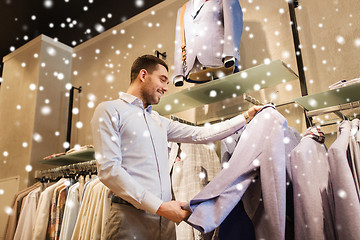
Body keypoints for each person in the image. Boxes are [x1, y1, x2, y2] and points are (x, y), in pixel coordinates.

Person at [91, 54, 261, 239]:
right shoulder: (109, 110)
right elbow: (109, 170)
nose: (165, 88)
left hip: (166, 220)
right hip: (129, 219)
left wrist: (245, 117)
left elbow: (201, 134)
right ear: (143, 75)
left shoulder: (159, 121)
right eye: (162, 80)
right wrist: (160, 207)